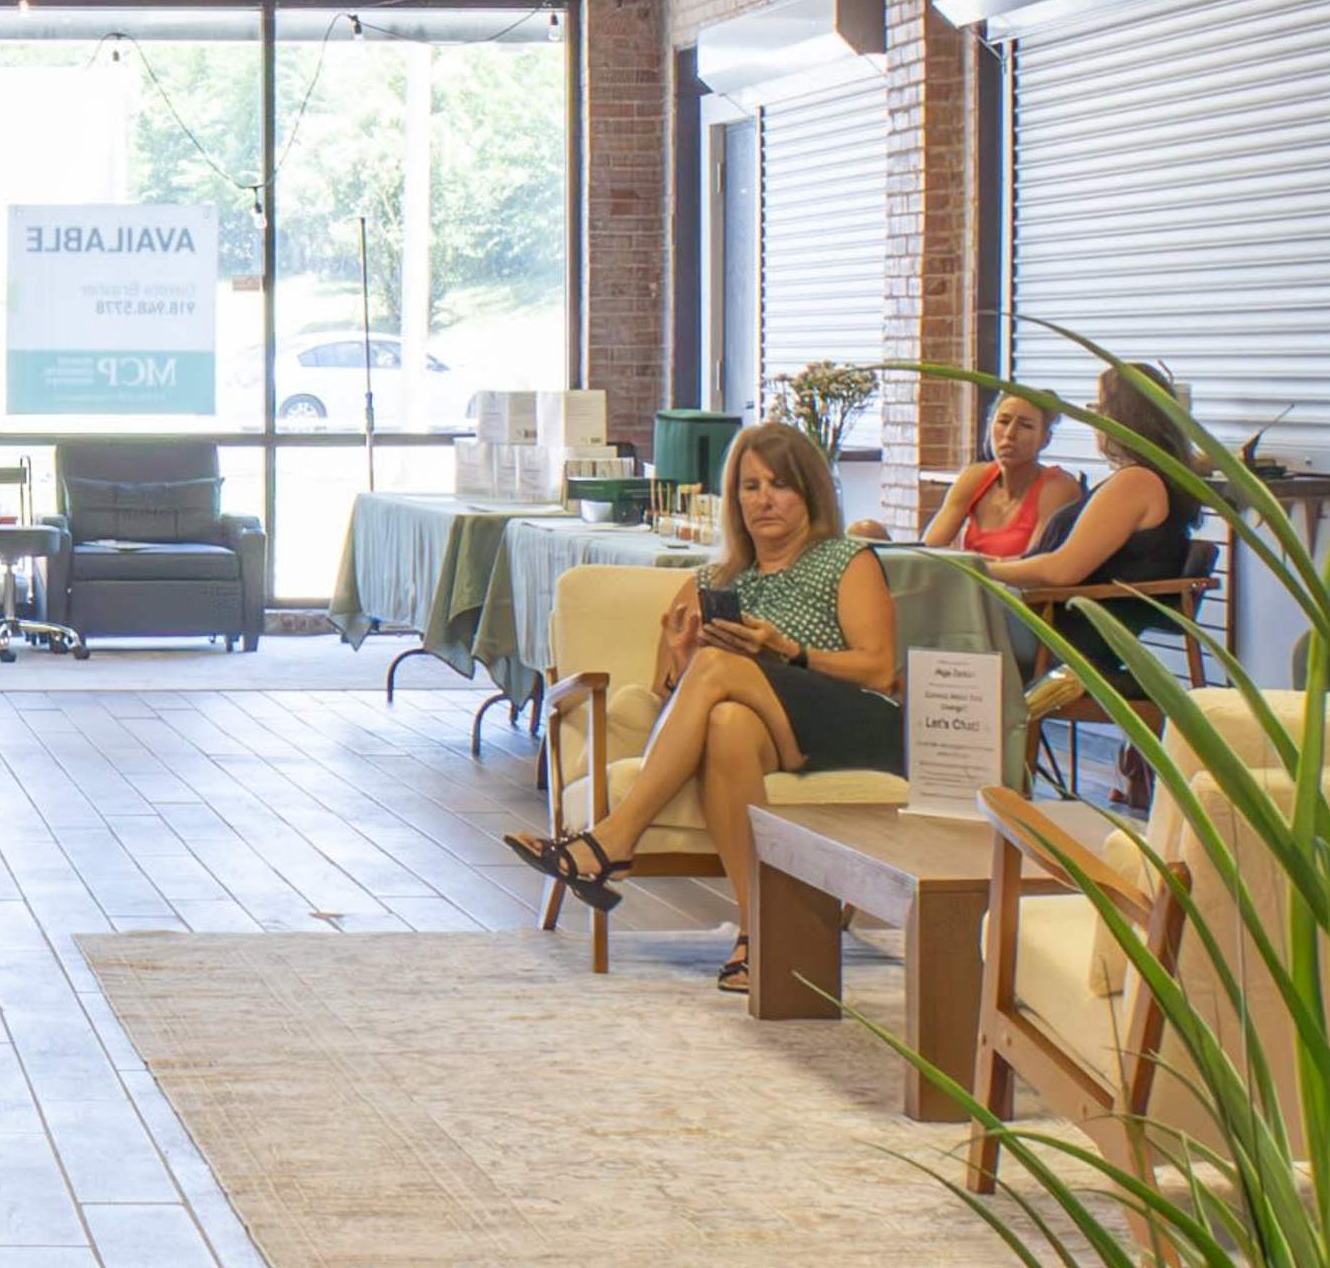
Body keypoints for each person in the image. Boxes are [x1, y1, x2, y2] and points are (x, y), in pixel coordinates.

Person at [516, 417, 901, 932]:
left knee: (721, 667)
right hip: (770, 734)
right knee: (725, 726)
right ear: (734, 500)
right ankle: (759, 932)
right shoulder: (709, 581)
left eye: (780, 485)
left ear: (808, 493)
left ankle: (615, 839)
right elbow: (665, 699)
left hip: (847, 721)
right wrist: (681, 663)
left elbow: (877, 668)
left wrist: (789, 651)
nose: (764, 499)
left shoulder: (845, 559)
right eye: (750, 486)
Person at [980, 359, 1205, 799]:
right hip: (1055, 624)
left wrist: (977, 568)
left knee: (918, 627)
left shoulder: (1136, 483)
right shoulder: (1142, 480)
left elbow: (1062, 570)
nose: (1092, 418)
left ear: (1119, 416)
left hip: (1062, 638)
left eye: (1096, 407)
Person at [931, 385, 1085, 566]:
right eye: (1003, 422)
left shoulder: (1058, 487)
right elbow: (929, 548)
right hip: (971, 587)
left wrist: (969, 565)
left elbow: (1033, 564)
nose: (1010, 434)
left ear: (1046, 439)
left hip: (1019, 592)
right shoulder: (975, 477)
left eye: (1026, 426)